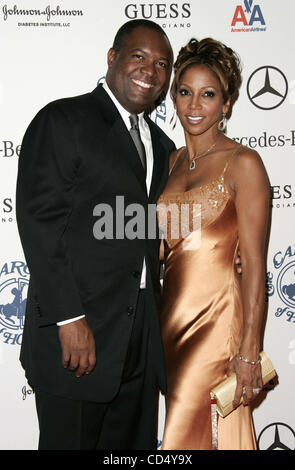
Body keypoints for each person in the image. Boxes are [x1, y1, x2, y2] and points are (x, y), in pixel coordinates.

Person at [16, 19, 175, 450]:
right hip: (78, 339)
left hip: (138, 343)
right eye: (139, 56)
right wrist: (69, 318)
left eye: (162, 64)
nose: (151, 71)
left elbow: (155, 233)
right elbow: (40, 224)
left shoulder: (162, 145)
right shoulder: (63, 120)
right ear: (112, 58)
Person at [157, 38, 270, 450]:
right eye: (185, 92)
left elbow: (255, 263)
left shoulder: (243, 163)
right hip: (170, 329)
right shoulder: (168, 163)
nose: (194, 105)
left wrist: (249, 351)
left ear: (226, 104)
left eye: (208, 95)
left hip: (217, 329)